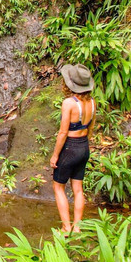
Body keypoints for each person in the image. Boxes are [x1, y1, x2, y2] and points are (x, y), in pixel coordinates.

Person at [49, 63, 96, 233]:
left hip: (70, 147)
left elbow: (63, 133)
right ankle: (77, 227)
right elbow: (90, 128)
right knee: (78, 188)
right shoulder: (92, 102)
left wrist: (55, 156)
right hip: (84, 146)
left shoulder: (69, 103)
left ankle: (65, 226)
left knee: (58, 186)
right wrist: (83, 145)